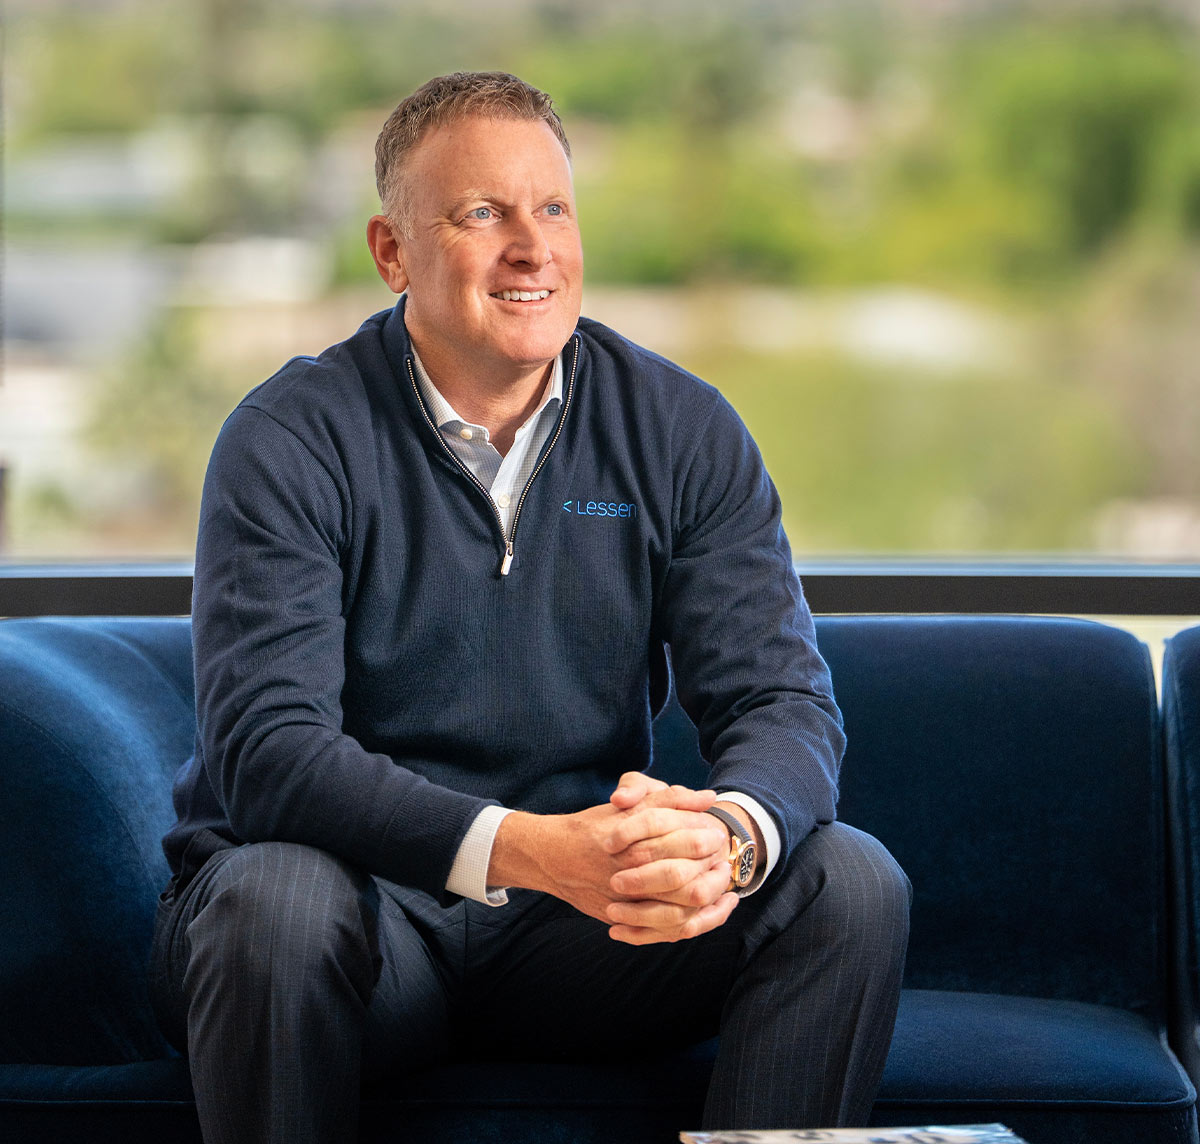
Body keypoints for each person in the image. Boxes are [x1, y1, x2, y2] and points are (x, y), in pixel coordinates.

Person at [149, 71, 910, 1144]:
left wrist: (728, 841)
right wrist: (534, 847)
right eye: (482, 214)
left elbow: (783, 703)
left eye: (553, 207)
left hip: (578, 935)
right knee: (273, 897)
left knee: (846, 880)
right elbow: (270, 753)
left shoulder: (682, 428)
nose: (532, 247)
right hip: (360, 924)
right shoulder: (289, 438)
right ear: (391, 252)